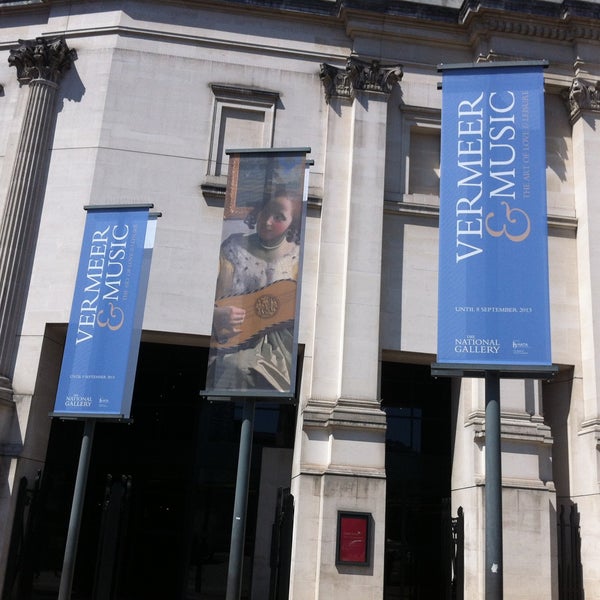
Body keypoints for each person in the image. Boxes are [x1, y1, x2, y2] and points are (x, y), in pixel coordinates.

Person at [207, 189, 302, 392]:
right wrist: (216, 314)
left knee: (243, 365)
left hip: (276, 349)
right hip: (230, 339)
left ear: (291, 223)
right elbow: (210, 294)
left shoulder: (298, 259)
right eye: (265, 212)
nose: (268, 221)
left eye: (279, 217)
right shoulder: (233, 247)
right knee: (230, 365)